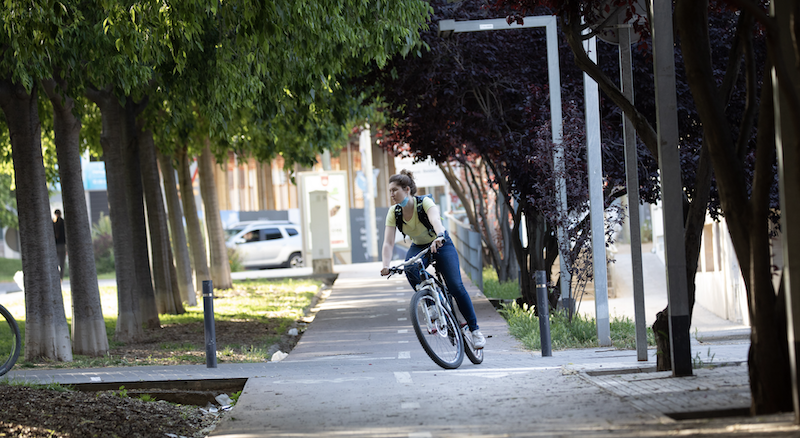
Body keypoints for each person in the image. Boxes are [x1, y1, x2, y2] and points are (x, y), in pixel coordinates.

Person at [380, 170, 485, 349]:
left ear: (407, 189)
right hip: (420, 246)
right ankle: (431, 305)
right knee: (410, 269)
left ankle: (475, 331)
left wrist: (440, 236)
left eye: (395, 190)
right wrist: (386, 265)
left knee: (455, 286)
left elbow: (436, 220)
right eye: (390, 191)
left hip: (441, 243)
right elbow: (388, 242)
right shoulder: (394, 212)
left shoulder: (424, 203)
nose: (391, 194)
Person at [53, 209, 67, 280]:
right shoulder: (63, 223)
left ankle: (56, 277)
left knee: (55, 263)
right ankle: (61, 278)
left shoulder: (53, 223)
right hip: (62, 245)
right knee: (62, 264)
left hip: (55, 246)